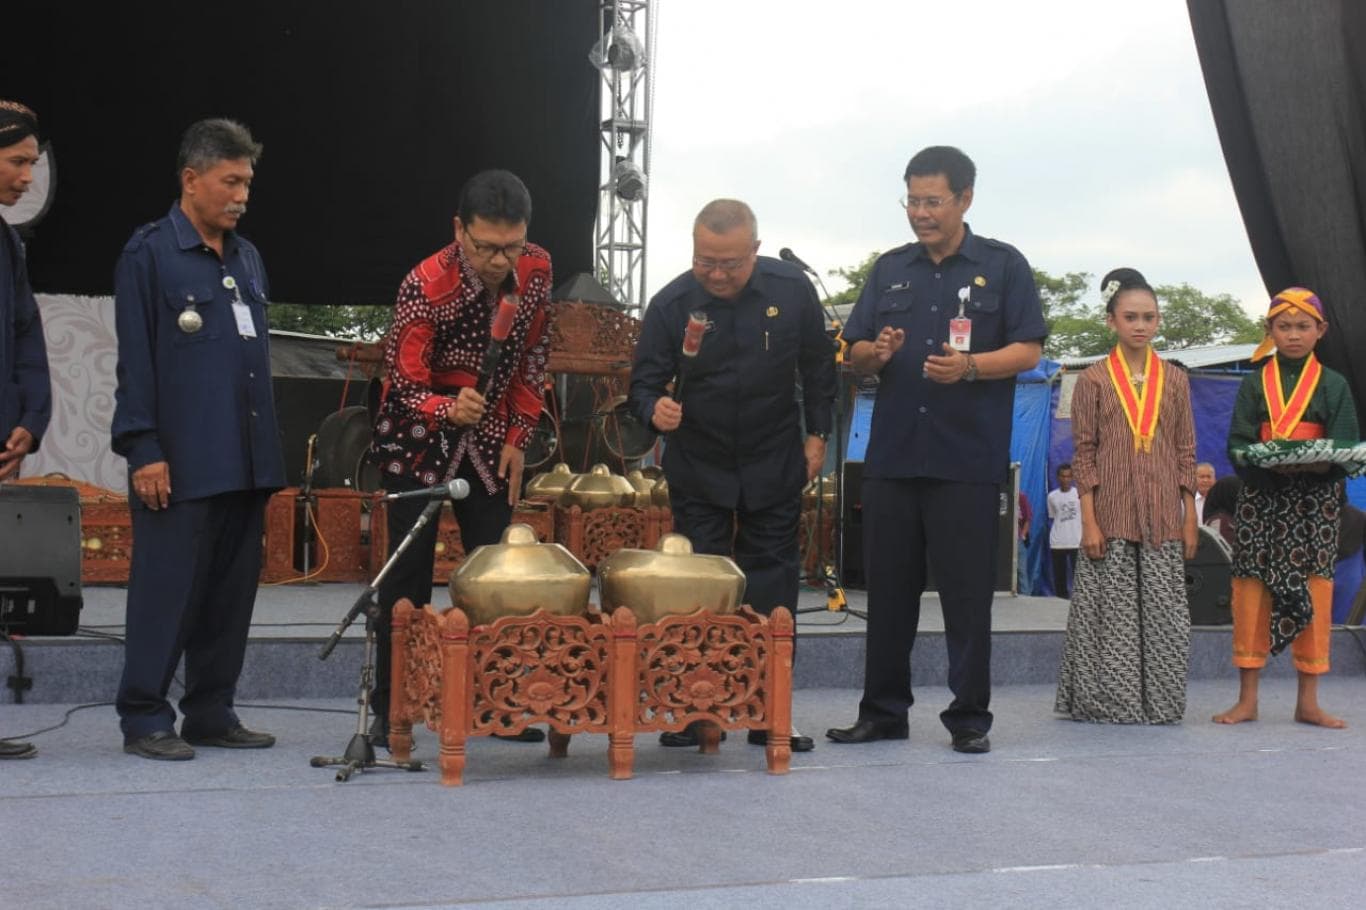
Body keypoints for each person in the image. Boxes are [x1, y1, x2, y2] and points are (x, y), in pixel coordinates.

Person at [826, 146, 1046, 754]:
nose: (920, 214)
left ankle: (970, 717)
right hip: (894, 457)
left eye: (932, 201)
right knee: (887, 591)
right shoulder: (891, 268)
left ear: (965, 199)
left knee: (967, 595)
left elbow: (1028, 349)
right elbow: (853, 352)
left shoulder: (1002, 267)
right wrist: (877, 352)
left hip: (966, 461)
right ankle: (883, 712)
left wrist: (972, 367)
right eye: (912, 201)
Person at [629, 198, 836, 754]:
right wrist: (655, 409)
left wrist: (818, 434)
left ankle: (772, 709)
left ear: (756, 251)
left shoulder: (791, 290)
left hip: (774, 456)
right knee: (701, 590)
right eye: (706, 262)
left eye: (730, 264)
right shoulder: (672, 303)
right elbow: (642, 384)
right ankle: (696, 711)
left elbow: (819, 366)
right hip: (700, 463)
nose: (717, 275)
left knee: (774, 584)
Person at [111, 119, 285, 760]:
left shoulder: (248, 256)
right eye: (230, 181)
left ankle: (211, 711)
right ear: (191, 179)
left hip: (246, 460)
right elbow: (136, 361)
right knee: (165, 592)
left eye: (248, 182)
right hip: (179, 462)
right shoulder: (149, 253)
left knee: (229, 597)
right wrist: (143, 448)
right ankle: (144, 717)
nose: (242, 195)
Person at [368, 170, 552, 747]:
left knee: (495, 574)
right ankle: (391, 707)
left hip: (491, 436)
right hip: (418, 435)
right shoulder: (424, 284)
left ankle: (499, 703)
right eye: (486, 247)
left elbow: (532, 359)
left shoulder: (537, 271)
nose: (501, 261)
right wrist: (444, 408)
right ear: (458, 230)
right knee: (407, 578)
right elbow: (403, 380)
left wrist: (518, 435)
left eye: (512, 246)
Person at [1054, 268, 1198, 724]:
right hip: (1111, 517)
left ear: (1158, 322)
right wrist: (1089, 521)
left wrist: (1189, 517)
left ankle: (1161, 704)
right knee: (1109, 619)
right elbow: (1086, 455)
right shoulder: (1094, 380)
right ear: (1111, 321)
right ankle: (1108, 704)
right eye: (1130, 316)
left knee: (1165, 617)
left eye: (1149, 317)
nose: (1140, 325)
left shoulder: (1175, 380)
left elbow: (1186, 450)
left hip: (1161, 519)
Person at [1214, 287, 1359, 728]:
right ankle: (1247, 700)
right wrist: (1262, 461)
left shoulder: (1334, 385)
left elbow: (1348, 444)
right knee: (1251, 594)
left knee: (1314, 592)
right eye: (1284, 326)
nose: (1293, 335)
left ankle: (1308, 702)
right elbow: (1237, 443)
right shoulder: (1255, 382)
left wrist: (1318, 463)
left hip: (1316, 506)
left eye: (1302, 326)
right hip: (1262, 501)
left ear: (1321, 331)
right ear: (1270, 331)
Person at [0, 100, 51, 761]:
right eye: (16, 162)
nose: (27, 177)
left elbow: (25, 337)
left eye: (31, 165)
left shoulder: (8, 243)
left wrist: (26, 423)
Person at [1046, 463, 1081, 598]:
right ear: (1058, 477)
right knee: (1059, 576)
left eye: (1068, 476)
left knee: (1077, 575)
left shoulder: (1079, 494)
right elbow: (1053, 516)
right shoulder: (1052, 496)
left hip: (1076, 541)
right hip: (1058, 541)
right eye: (1062, 476)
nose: (1065, 479)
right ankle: (1060, 602)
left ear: (1072, 477)